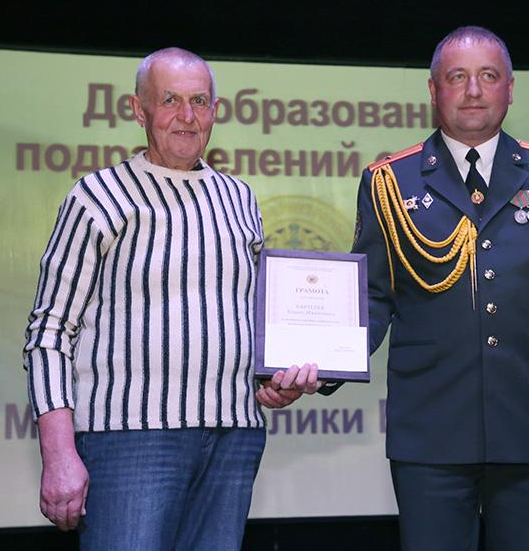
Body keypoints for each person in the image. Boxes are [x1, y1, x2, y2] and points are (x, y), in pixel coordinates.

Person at [22, 47, 318, 550]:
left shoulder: (239, 198)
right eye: (170, 101)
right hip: (130, 438)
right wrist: (58, 453)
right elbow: (49, 332)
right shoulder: (97, 197)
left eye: (199, 101)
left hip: (233, 436)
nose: (187, 116)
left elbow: (246, 318)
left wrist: (275, 378)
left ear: (215, 111)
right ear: (139, 110)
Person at [348, 26, 529, 551]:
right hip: (430, 424)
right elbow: (371, 296)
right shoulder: (389, 181)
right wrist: (320, 363)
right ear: (434, 90)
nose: (473, 90)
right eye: (457, 77)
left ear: (510, 89)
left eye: (488, 76)